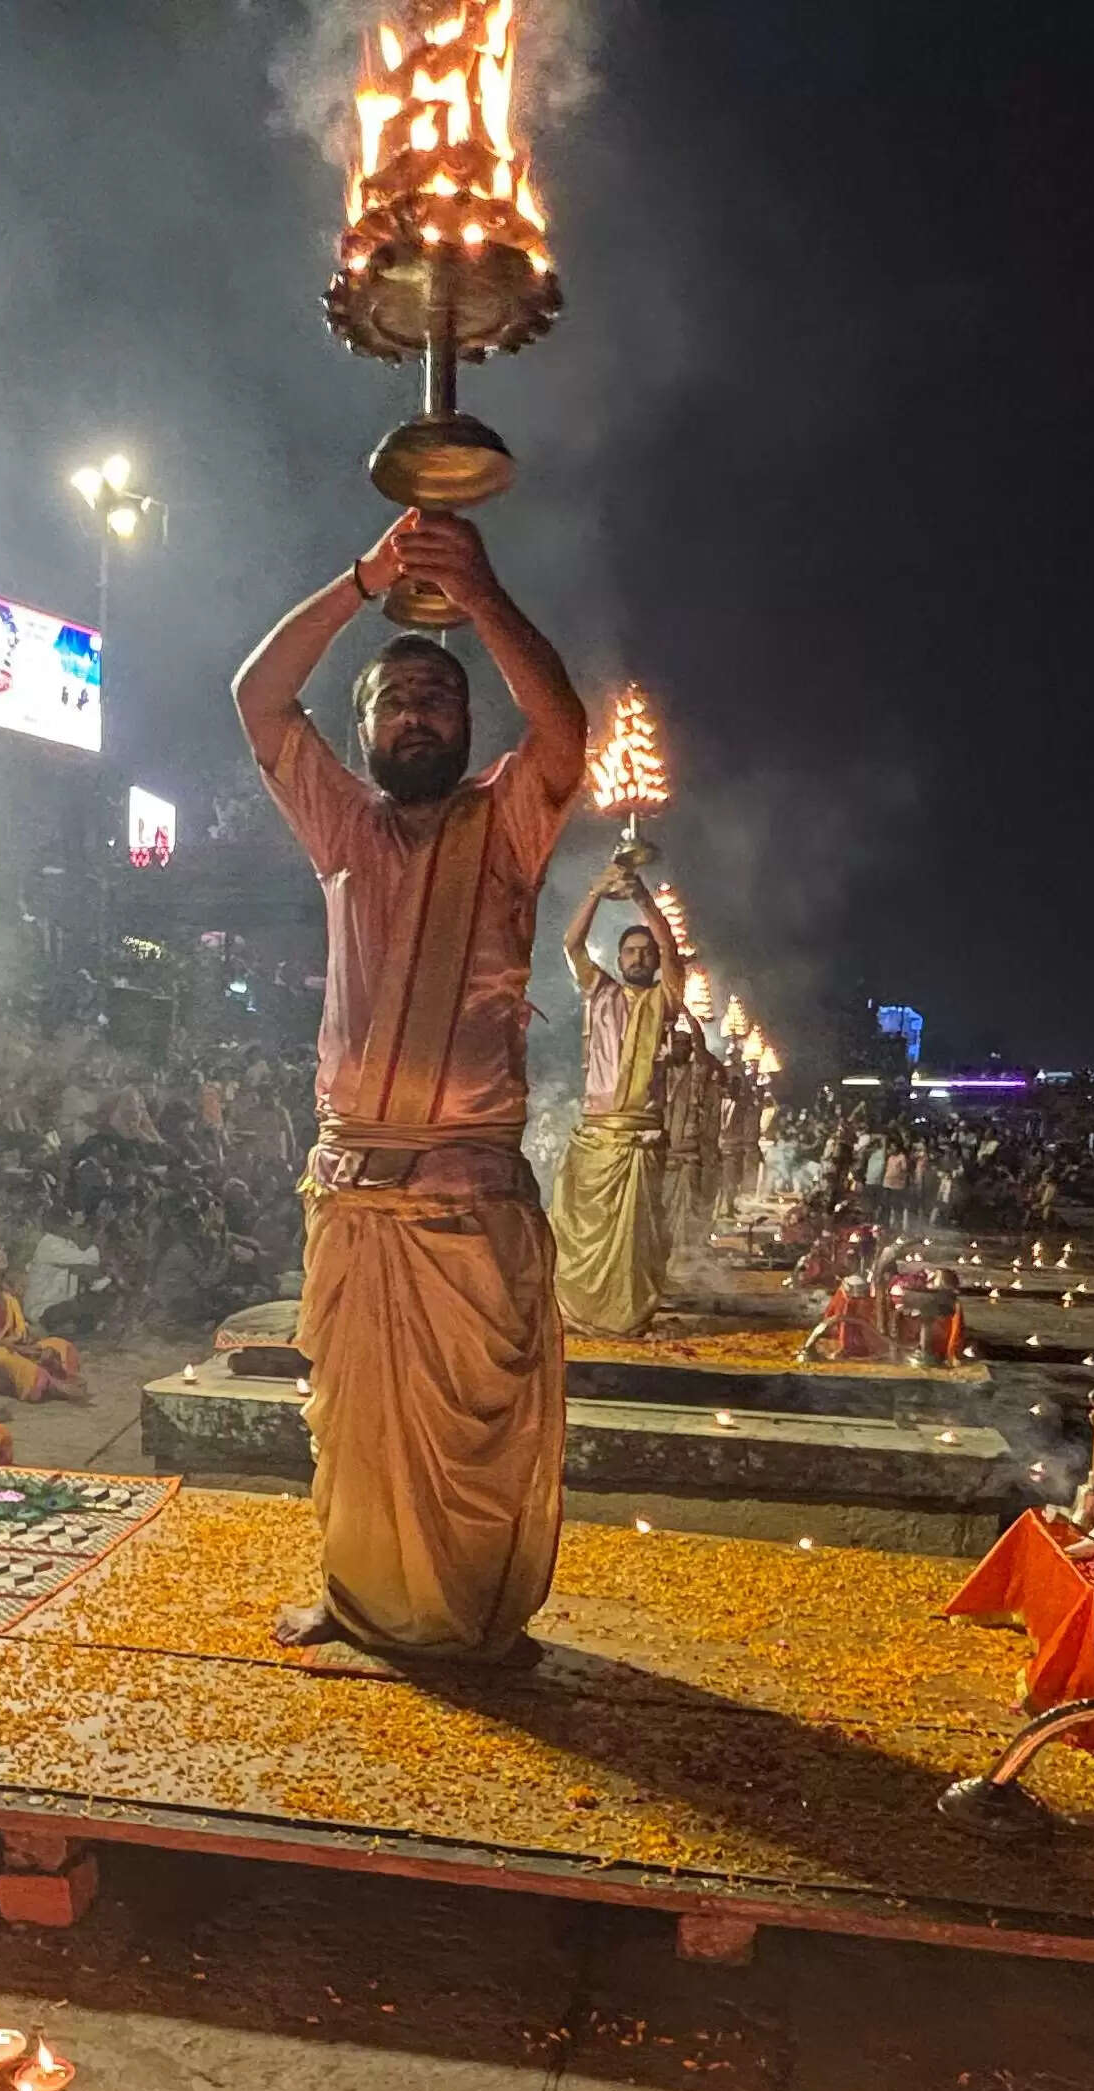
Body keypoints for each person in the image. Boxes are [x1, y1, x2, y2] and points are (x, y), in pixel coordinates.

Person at [230, 508, 585, 1657]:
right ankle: (361, 1592)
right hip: (354, 1194)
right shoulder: (343, 826)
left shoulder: (512, 821)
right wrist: (362, 579)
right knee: (356, 1427)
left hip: (465, 1204)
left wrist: (479, 591)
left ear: (469, 723)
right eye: (395, 700)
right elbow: (258, 698)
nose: (418, 713)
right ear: (367, 729)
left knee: (473, 1442)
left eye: (438, 697)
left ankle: (477, 1613)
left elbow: (564, 728)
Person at [547, 867, 686, 1339]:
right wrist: (596, 892)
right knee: (583, 1229)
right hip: (597, 1135)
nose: (640, 957)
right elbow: (571, 945)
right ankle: (579, 1312)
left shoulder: (664, 1000)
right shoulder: (600, 991)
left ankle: (626, 1317)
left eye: (645, 953)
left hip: (639, 1139)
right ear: (620, 957)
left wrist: (644, 899)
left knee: (634, 1242)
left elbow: (672, 953)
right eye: (631, 951)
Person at [0, 1239, 85, 1402]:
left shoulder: (6, 1291)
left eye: (2, 1248)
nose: (1, 1253)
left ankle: (58, 1378)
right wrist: (22, 1350)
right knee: (4, 1357)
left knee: (60, 1345)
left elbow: (20, 1332)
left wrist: (34, 1345)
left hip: (15, 1348)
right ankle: (55, 1385)